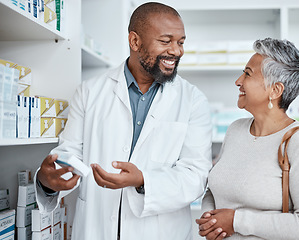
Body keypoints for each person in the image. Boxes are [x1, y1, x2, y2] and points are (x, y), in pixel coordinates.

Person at [34, 2, 212, 240]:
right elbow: (69, 155)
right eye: (165, 41)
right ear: (135, 41)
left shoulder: (193, 100)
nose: (176, 51)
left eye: (180, 42)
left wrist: (143, 180)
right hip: (96, 229)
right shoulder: (90, 92)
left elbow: (196, 176)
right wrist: (48, 181)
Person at [196, 38, 299, 240]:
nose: (238, 81)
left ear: (275, 90)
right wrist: (210, 219)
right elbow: (214, 189)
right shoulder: (235, 130)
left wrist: (236, 221)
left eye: (247, 74)